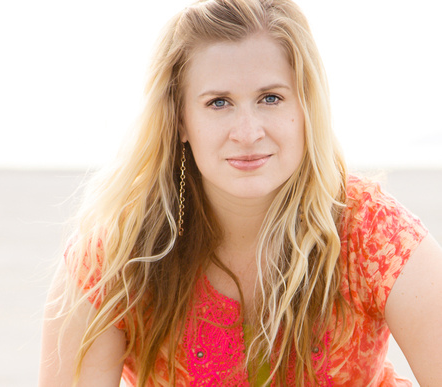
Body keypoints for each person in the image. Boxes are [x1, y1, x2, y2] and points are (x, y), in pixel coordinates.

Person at [38, 0, 442, 385]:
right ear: (180, 120)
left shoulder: (371, 234)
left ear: (305, 106)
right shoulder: (116, 256)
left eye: (270, 98)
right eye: (218, 103)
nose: (248, 133)